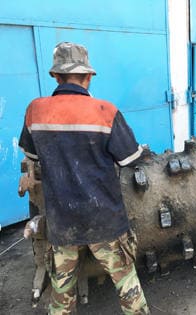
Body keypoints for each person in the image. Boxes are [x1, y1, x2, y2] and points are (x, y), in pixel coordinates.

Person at [18, 42, 149, 314]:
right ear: (88, 76)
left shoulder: (35, 110)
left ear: (55, 75)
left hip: (62, 222)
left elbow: (31, 158)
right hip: (104, 220)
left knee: (62, 293)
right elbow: (130, 159)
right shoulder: (105, 112)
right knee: (127, 285)